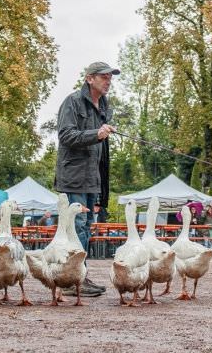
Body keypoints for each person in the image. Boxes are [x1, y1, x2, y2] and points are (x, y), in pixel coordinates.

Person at [55, 61, 120, 297]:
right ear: (89, 78)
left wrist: (104, 188)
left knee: (86, 229)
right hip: (73, 176)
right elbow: (65, 135)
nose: (108, 80)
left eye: (110, 77)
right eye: (104, 76)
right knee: (77, 227)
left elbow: (102, 153)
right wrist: (97, 133)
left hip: (93, 178)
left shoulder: (104, 106)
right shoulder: (72, 102)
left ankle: (79, 276)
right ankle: (71, 282)